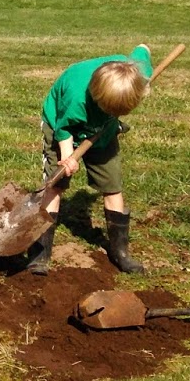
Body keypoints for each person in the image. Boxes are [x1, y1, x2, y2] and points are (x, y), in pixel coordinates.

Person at [28, 44, 154, 276]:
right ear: (97, 98)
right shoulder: (77, 99)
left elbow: (142, 49)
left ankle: (120, 252)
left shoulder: (138, 72)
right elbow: (63, 129)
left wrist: (141, 79)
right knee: (56, 185)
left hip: (102, 129)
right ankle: (39, 253)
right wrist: (67, 157)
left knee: (112, 185)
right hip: (61, 123)